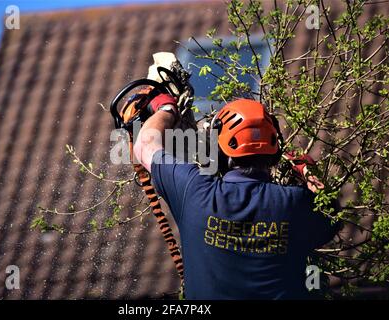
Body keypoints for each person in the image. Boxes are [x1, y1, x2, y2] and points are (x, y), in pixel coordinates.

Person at [133, 93, 339, 300]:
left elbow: (145, 145)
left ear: (218, 151)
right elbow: (332, 216)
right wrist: (309, 174)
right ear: (274, 152)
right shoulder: (296, 203)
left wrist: (166, 108)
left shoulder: (194, 189)